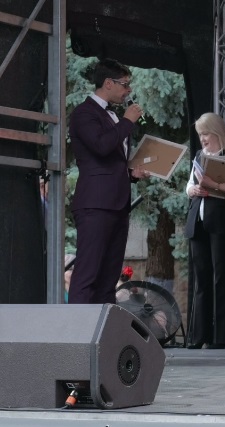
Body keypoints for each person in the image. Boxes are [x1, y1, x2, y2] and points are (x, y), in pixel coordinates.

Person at [68, 58, 149, 304]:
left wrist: (130, 174)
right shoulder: (84, 113)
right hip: (95, 203)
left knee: (109, 277)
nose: (128, 90)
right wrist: (127, 121)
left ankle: (103, 326)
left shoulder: (113, 116)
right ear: (108, 83)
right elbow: (101, 146)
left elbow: (112, 159)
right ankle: (79, 327)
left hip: (118, 204)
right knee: (88, 273)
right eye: (125, 84)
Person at [185, 112, 225, 349]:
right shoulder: (199, 156)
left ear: (217, 133)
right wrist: (193, 190)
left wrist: (215, 185)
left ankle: (223, 336)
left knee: (222, 276)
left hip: (220, 222)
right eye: (200, 134)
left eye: (206, 134)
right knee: (201, 277)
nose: (203, 139)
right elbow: (189, 185)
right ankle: (199, 336)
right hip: (198, 220)